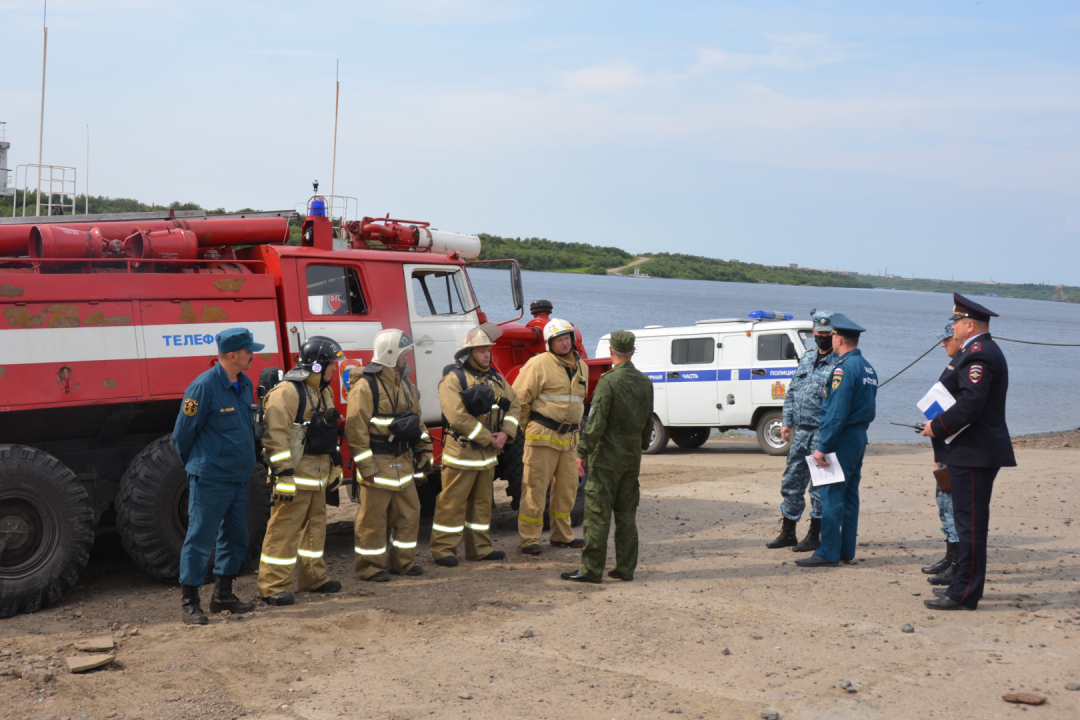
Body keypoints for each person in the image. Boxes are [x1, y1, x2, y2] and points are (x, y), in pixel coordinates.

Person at [923, 293, 1016, 611]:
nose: (952, 327)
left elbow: (971, 403)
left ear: (969, 324)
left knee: (970, 525)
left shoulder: (979, 354)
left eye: (956, 322)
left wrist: (937, 427)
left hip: (973, 452)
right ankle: (964, 585)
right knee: (968, 523)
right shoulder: (977, 351)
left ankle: (964, 593)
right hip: (969, 451)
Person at [172, 328, 264, 624]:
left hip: (239, 477)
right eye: (249, 351)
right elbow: (182, 436)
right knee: (200, 539)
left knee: (236, 537)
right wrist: (202, 465)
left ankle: (223, 595)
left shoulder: (245, 382)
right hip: (211, 478)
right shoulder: (202, 387)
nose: (254, 355)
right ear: (233, 355)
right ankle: (190, 602)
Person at [257, 336, 346, 605]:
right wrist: (283, 475)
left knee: (315, 529)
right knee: (284, 531)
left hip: (317, 475)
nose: (335, 369)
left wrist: (336, 464)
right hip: (294, 477)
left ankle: (313, 579)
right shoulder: (286, 392)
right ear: (317, 366)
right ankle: (273, 586)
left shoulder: (323, 391)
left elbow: (328, 432)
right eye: (331, 365)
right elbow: (275, 437)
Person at [562, 331, 654, 584]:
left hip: (605, 460)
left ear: (610, 351)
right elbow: (648, 421)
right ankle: (625, 568)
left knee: (597, 516)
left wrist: (582, 452)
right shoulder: (645, 382)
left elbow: (597, 421)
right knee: (626, 516)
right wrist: (641, 445)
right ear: (633, 351)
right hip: (631, 459)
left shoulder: (608, 381)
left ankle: (591, 570)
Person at [346, 329, 434, 581]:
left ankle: (402, 564)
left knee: (409, 514)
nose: (408, 358)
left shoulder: (405, 384)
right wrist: (367, 467)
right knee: (372, 520)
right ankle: (370, 568)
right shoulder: (365, 387)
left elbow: (417, 422)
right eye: (405, 354)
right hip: (378, 463)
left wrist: (425, 450)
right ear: (391, 355)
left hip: (403, 462)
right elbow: (356, 429)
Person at [430, 324, 521, 566]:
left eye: (488, 350)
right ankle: (443, 550)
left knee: (482, 505)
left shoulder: (496, 378)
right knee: (452, 503)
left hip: (487, 454)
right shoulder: (453, 379)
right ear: (469, 353)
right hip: (462, 453)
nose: (486, 355)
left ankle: (479, 549)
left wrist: (506, 433)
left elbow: (515, 405)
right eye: (481, 351)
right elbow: (458, 417)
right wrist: (488, 437)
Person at [796, 314, 877, 568]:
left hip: (841, 438)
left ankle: (828, 552)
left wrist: (822, 447)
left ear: (838, 338)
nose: (830, 338)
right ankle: (845, 550)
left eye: (832, 335)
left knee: (831, 496)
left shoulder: (842, 368)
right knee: (850, 495)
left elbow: (836, 412)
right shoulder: (867, 367)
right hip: (858, 437)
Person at [512, 318, 590, 554]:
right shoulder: (538, 364)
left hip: (569, 439)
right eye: (559, 340)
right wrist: (527, 427)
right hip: (542, 436)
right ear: (550, 343)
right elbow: (519, 399)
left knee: (567, 490)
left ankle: (562, 536)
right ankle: (529, 540)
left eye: (567, 338)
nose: (564, 343)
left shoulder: (581, 366)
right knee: (534, 489)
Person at [767, 310, 837, 552]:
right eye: (818, 333)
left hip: (822, 432)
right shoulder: (807, 358)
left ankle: (814, 535)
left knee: (819, 487)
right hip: (801, 432)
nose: (822, 337)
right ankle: (788, 532)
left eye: (827, 333)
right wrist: (787, 422)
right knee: (792, 481)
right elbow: (793, 391)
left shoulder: (839, 363)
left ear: (834, 334)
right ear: (813, 333)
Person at [922, 323, 961, 586]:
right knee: (943, 502)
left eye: (947, 339)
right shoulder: (954, 364)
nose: (943, 344)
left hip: (956, 445)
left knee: (953, 505)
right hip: (944, 445)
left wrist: (937, 426)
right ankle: (950, 557)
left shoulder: (966, 365)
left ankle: (958, 563)